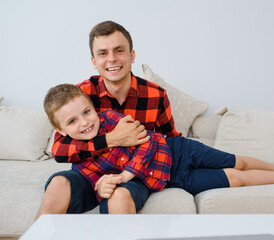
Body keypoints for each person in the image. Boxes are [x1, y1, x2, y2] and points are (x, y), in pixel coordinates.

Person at [43, 83, 274, 213]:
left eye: (87, 112)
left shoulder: (110, 118)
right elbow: (92, 180)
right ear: (60, 129)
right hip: (167, 177)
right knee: (236, 178)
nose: (84, 122)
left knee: (237, 162)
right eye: (72, 120)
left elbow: (144, 145)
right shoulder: (73, 153)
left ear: (94, 107)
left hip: (176, 151)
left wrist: (124, 176)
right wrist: (103, 187)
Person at [36, 20, 181, 218]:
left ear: (132, 55)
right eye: (103, 53)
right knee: (58, 184)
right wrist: (112, 139)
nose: (111, 59)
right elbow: (60, 151)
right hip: (88, 174)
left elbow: (171, 141)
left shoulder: (156, 95)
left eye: (119, 50)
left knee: (119, 196)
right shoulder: (81, 95)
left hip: (131, 175)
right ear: (94, 61)